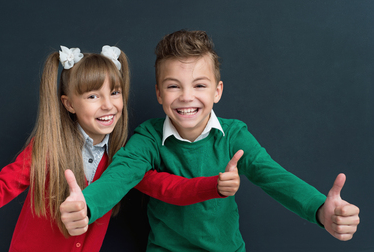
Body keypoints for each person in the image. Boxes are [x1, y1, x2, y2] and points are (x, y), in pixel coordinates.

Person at [63, 30, 361, 251]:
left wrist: (321, 210)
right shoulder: (148, 137)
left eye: (199, 85)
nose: (187, 96)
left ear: (217, 91)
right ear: (158, 94)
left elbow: (274, 177)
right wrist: (86, 206)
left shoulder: (234, 136)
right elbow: (120, 174)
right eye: (173, 86)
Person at [0, 44, 240, 252]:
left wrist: (215, 185)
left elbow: (166, 187)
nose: (108, 105)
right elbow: (3, 186)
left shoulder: (122, 158)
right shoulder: (48, 148)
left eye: (114, 93)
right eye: (92, 95)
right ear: (68, 104)